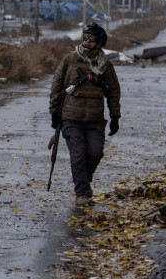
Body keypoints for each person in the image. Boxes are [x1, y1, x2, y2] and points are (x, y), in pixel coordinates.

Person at [48, 23, 121, 205]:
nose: (87, 41)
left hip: (95, 120)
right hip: (71, 119)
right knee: (78, 155)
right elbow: (56, 87)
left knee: (95, 153)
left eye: (92, 39)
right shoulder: (70, 60)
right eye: (85, 38)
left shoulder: (105, 66)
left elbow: (113, 92)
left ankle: (84, 181)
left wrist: (115, 117)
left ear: (100, 43)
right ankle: (81, 193)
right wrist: (54, 113)